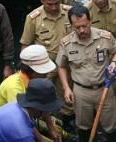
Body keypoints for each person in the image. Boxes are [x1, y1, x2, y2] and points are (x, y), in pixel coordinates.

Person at [56, 5, 116, 142]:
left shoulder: (104, 37)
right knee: (83, 124)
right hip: (81, 91)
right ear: (71, 25)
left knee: (111, 125)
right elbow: (61, 65)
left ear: (90, 21)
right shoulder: (67, 43)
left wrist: (114, 63)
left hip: (104, 88)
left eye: (85, 26)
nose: (82, 31)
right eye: (77, 27)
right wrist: (67, 88)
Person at [19, 0, 75, 128]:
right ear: (42, 1)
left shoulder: (69, 13)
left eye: (56, 3)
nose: (54, 7)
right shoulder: (33, 17)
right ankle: (41, 124)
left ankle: (67, 125)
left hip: (66, 64)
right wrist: (25, 69)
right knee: (39, 95)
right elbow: (26, 45)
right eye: (49, 4)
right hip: (43, 66)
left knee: (67, 96)